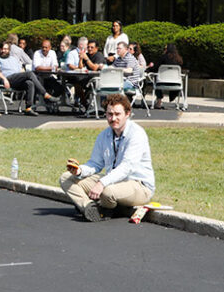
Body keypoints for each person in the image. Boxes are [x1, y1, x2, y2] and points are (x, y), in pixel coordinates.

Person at [59, 93, 155, 222]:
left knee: (107, 191)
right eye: (110, 114)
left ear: (127, 114)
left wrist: (101, 183)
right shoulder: (104, 135)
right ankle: (89, 207)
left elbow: (127, 167)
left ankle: (106, 207)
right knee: (66, 178)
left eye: (117, 114)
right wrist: (80, 171)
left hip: (139, 185)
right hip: (114, 181)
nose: (113, 118)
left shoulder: (137, 134)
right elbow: (95, 163)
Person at [0, 41, 54, 115]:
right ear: (0, 49)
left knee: (30, 83)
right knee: (29, 73)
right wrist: (4, 79)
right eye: (3, 49)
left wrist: (23, 75)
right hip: (7, 79)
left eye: (6, 49)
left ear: (9, 50)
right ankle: (45, 94)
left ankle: (28, 108)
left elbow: (20, 69)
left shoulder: (13, 58)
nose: (4, 50)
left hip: (16, 79)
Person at [153, 43, 184, 109]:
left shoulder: (163, 58)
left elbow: (155, 68)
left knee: (155, 78)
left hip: (161, 83)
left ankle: (159, 100)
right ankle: (179, 103)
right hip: (176, 83)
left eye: (165, 49)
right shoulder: (179, 60)